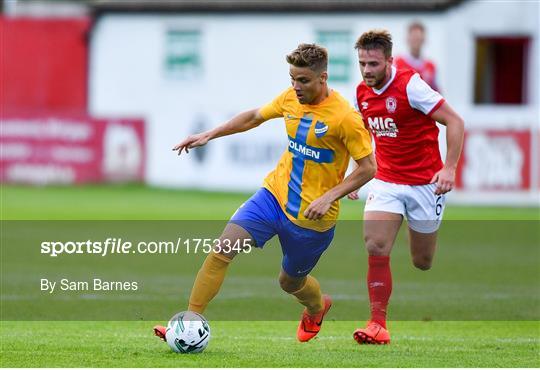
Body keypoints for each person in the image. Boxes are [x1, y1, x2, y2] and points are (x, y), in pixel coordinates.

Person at [154, 43, 376, 342]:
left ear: (323, 78)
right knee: (223, 249)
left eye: (304, 81)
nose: (296, 87)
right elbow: (254, 117)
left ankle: (316, 306)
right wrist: (211, 134)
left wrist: (328, 197)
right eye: (292, 79)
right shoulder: (289, 99)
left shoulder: (345, 118)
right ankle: (188, 322)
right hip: (272, 196)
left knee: (289, 282)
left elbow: (368, 168)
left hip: (311, 219)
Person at [349, 30, 464, 344]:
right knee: (375, 245)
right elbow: (366, 136)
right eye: (362, 63)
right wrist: (356, 173)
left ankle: (380, 319)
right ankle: (377, 325)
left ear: (389, 60)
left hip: (425, 185)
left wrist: (449, 168)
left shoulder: (411, 86)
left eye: (373, 63)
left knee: (421, 262)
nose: (367, 70)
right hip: (386, 181)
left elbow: (455, 121)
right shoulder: (361, 92)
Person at [394, 22, 439, 91]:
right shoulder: (397, 63)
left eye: (418, 38)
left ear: (424, 39)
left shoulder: (431, 66)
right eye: (414, 38)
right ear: (407, 39)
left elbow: (436, 92)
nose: (416, 42)